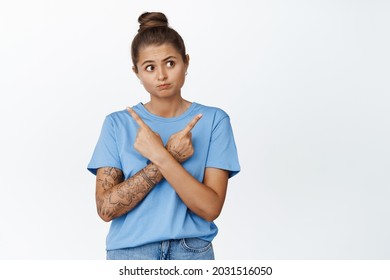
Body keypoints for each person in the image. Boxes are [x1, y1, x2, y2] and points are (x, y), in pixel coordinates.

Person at [87, 12, 240, 260]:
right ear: (137, 72)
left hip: (192, 251)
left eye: (170, 63)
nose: (161, 75)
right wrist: (167, 156)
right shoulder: (117, 124)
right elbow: (106, 209)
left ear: (186, 62)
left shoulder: (214, 121)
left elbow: (210, 208)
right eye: (150, 67)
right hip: (129, 253)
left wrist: (160, 155)